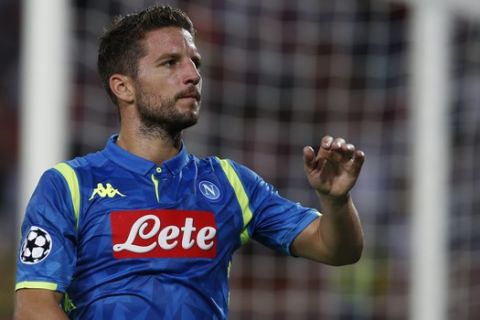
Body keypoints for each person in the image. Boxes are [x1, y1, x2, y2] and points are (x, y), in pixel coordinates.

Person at [14, 5, 365, 320]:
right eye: (170, 63)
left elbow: (338, 249)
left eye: (194, 62)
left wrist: (336, 201)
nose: (193, 75)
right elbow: (33, 307)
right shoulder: (69, 184)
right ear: (124, 87)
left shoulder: (230, 182)